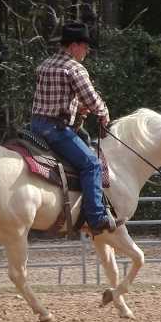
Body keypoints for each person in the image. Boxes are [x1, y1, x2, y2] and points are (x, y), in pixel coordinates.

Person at [30, 21, 116, 235]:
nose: (87, 51)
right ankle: (96, 217)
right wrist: (103, 113)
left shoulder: (46, 64)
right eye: (85, 46)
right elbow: (91, 98)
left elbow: (57, 98)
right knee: (92, 164)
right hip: (56, 130)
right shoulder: (74, 68)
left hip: (35, 125)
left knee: (84, 143)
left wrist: (78, 110)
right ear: (75, 45)